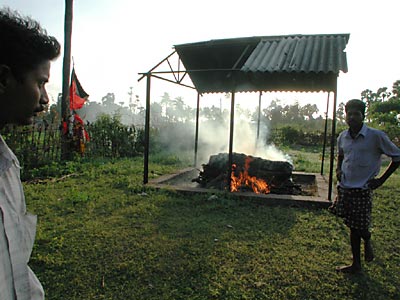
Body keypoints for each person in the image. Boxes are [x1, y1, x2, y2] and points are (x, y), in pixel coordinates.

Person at [0, 7, 60, 299]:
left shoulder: (8, 165)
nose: (46, 98)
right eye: (40, 83)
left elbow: (13, 264)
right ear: (3, 79)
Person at [329, 99, 400, 274]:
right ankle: (357, 262)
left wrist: (381, 180)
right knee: (351, 224)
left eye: (356, 114)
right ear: (345, 116)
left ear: (363, 116)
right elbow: (340, 155)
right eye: (349, 114)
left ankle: (365, 243)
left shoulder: (376, 136)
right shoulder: (342, 137)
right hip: (345, 187)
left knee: (357, 226)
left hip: (362, 189)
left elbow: (397, 156)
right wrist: (338, 169)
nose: (352, 117)